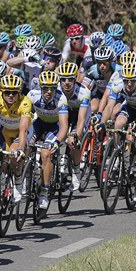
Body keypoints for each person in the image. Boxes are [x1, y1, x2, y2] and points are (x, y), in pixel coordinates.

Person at [101, 61, 136, 200]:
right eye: (126, 81)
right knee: (117, 124)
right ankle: (117, 154)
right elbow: (109, 107)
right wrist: (102, 122)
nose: (129, 84)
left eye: (132, 81)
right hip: (129, 108)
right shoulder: (117, 84)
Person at [26, 71, 69, 209]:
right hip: (38, 123)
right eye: (45, 88)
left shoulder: (61, 99)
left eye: (52, 88)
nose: (49, 92)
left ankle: (44, 190)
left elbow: (64, 126)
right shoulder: (32, 95)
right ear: (41, 87)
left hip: (54, 127)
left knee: (46, 153)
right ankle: (24, 178)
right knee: (26, 147)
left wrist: (57, 142)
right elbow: (25, 119)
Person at [0, 74, 31, 202]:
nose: (10, 95)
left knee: (13, 154)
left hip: (19, 132)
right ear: (2, 92)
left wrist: (21, 149)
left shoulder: (25, 102)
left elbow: (23, 130)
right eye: (7, 92)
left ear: (19, 92)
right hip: (5, 131)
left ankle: (18, 179)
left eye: (14, 92)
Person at [57, 62, 91, 191]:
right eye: (63, 79)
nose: (66, 82)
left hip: (80, 115)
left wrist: (76, 134)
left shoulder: (83, 92)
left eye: (70, 79)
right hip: (64, 114)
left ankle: (77, 171)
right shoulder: (56, 90)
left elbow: (81, 119)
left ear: (75, 79)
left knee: (73, 142)